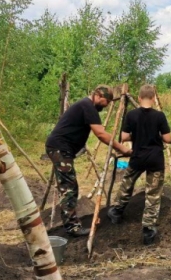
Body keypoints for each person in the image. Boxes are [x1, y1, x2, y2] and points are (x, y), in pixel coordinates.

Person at [46, 85, 132, 237]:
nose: (105, 106)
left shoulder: (85, 106)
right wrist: (122, 149)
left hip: (60, 148)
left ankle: (71, 223)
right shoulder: (87, 106)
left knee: (69, 186)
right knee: (69, 187)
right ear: (97, 95)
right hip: (60, 148)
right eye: (104, 102)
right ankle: (72, 227)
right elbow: (101, 134)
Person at [107, 84, 171, 245]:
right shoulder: (160, 116)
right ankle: (148, 230)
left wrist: (136, 134)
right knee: (153, 194)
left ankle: (117, 211)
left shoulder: (131, 115)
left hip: (137, 157)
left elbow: (124, 136)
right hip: (155, 159)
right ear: (154, 98)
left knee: (127, 184)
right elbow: (168, 139)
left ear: (139, 98)